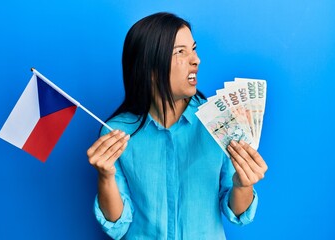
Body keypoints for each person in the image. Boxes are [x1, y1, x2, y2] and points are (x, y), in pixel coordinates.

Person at [87, 12, 268, 240]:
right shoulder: (116, 133)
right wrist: (105, 176)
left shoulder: (220, 121)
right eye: (180, 52)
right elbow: (117, 225)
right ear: (150, 68)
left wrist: (243, 185)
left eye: (193, 48)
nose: (196, 60)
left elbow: (237, 214)